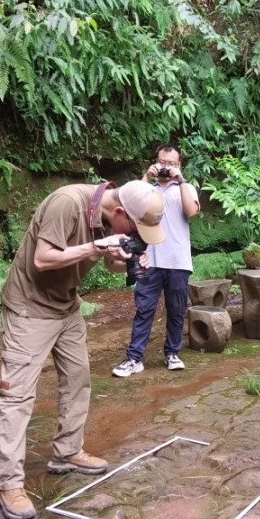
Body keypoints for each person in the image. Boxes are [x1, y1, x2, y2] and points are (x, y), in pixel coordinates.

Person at [0, 180, 165, 519]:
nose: (140, 234)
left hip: (66, 305)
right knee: (17, 396)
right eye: (136, 229)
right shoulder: (67, 203)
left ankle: (67, 453)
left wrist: (124, 257)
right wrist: (97, 247)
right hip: (30, 308)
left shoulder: (106, 217)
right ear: (119, 213)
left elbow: (108, 262)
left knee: (78, 379)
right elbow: (43, 260)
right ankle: (8, 483)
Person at [112, 144, 200, 377]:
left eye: (172, 163)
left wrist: (180, 181)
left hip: (178, 260)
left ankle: (172, 353)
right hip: (148, 259)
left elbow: (191, 212)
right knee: (144, 309)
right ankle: (134, 358)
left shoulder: (187, 187)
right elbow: (130, 206)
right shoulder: (146, 189)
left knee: (177, 309)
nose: (166, 167)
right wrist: (146, 176)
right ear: (156, 161)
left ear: (179, 165)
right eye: (163, 162)